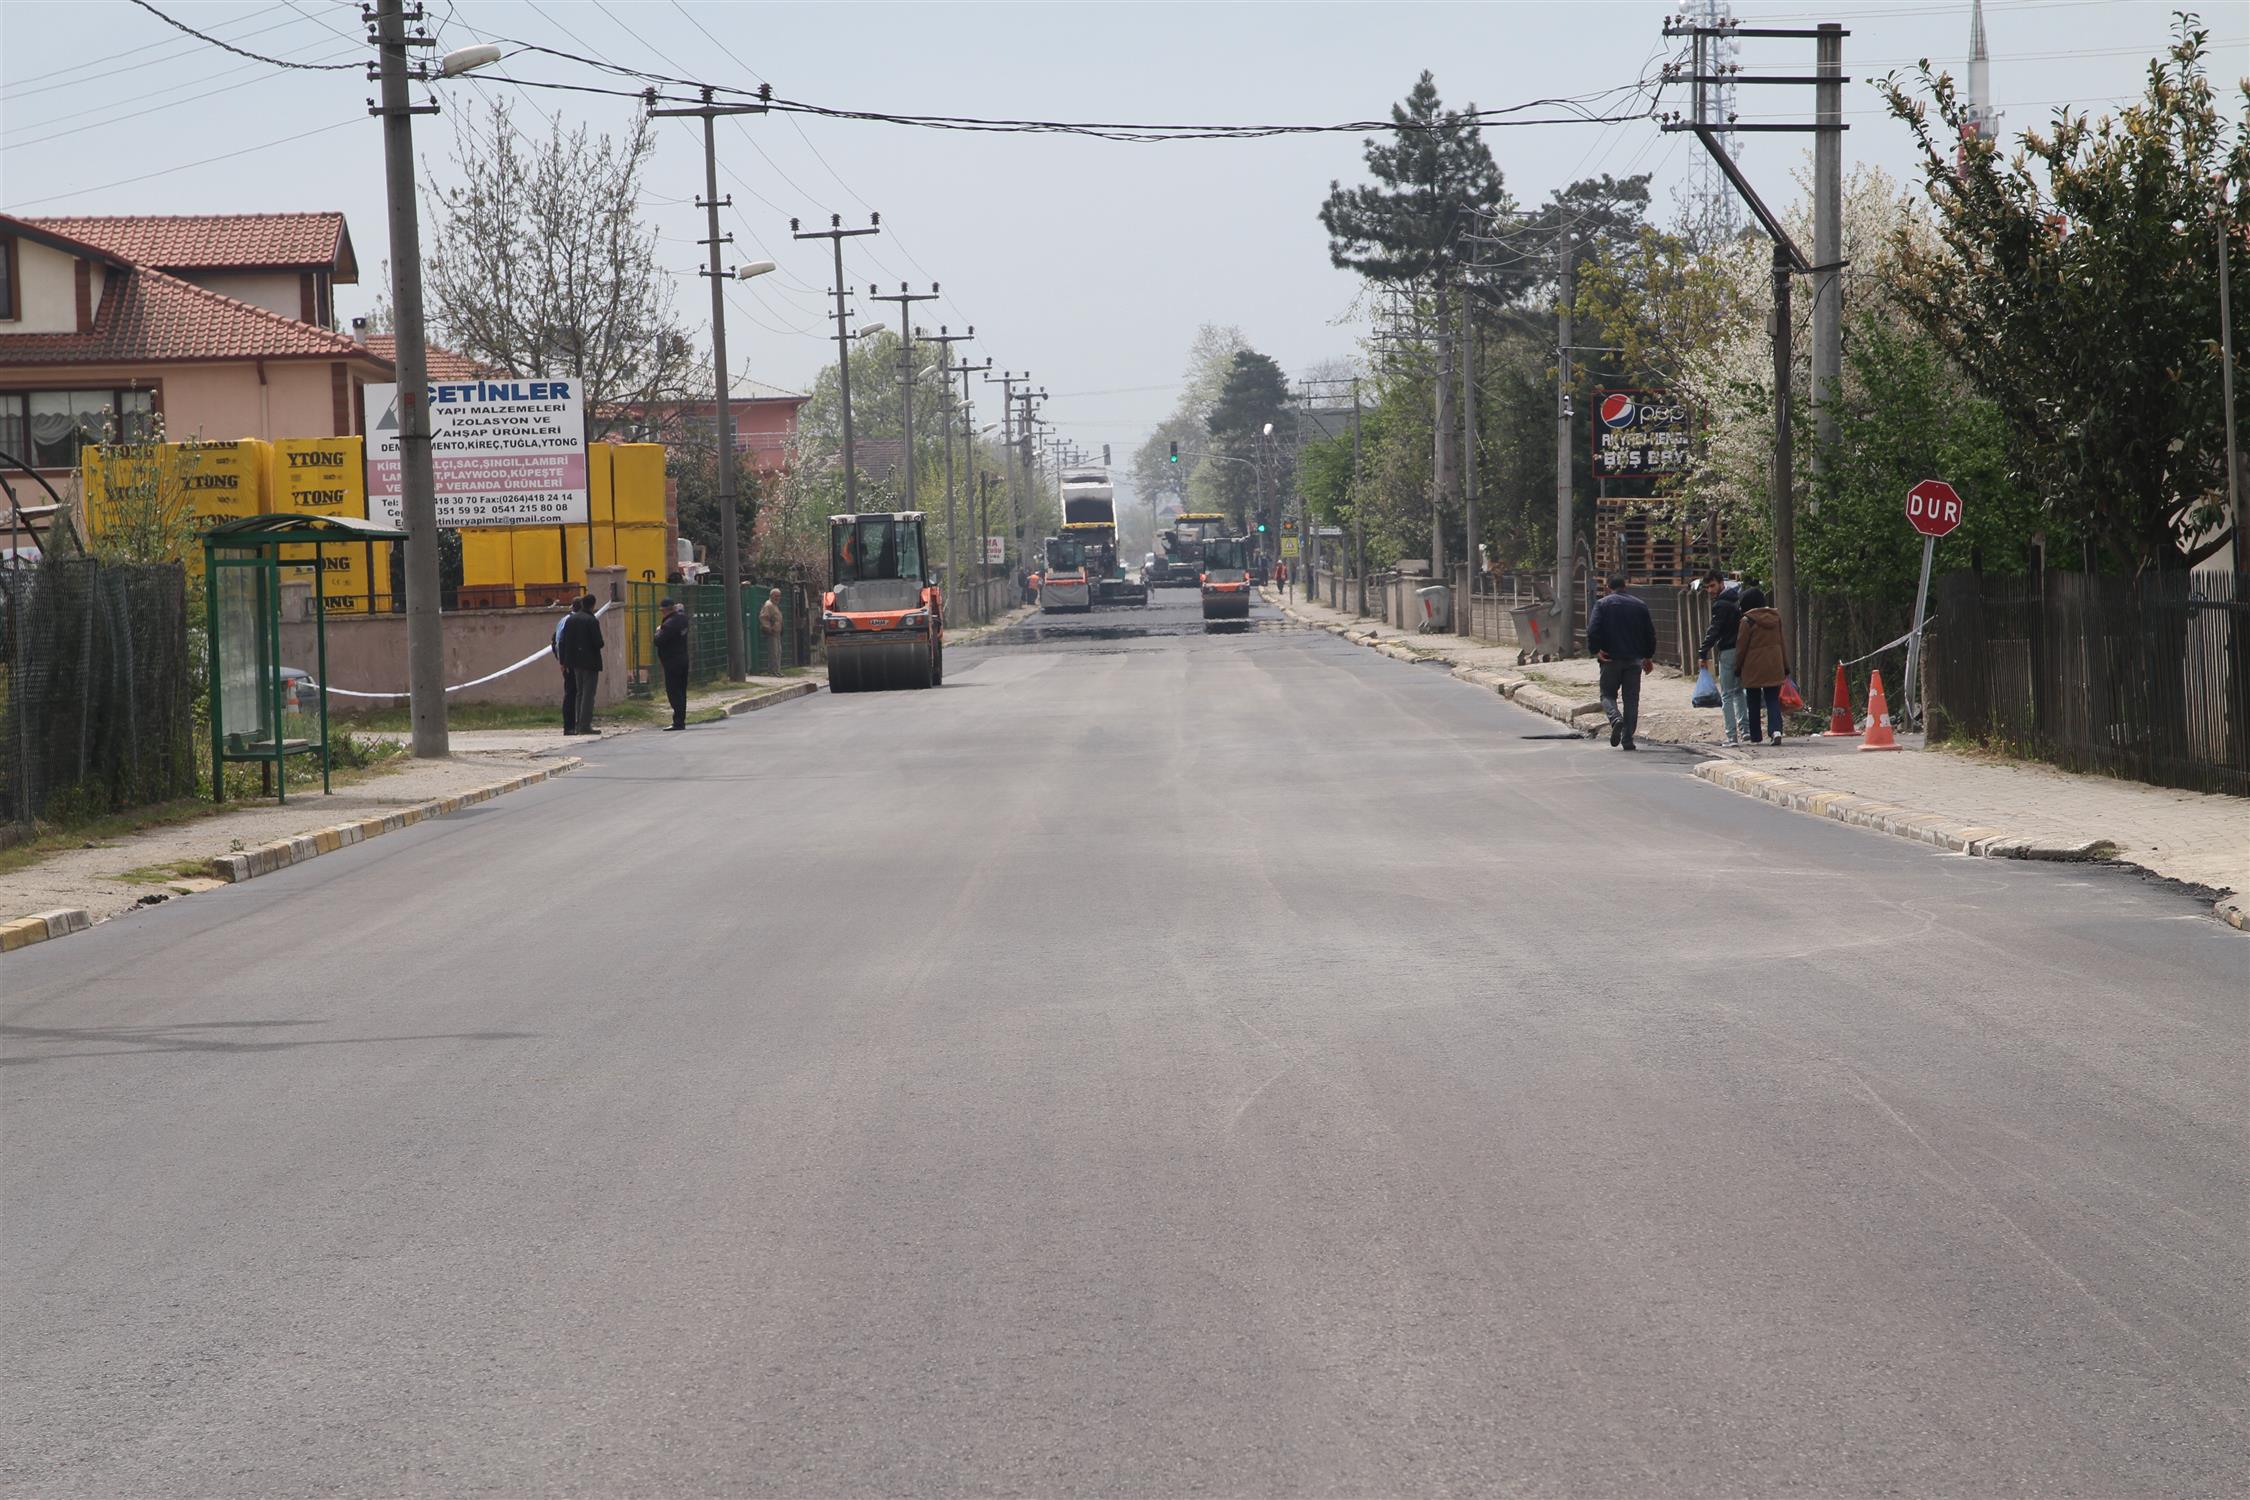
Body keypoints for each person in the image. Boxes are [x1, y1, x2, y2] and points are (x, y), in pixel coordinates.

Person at [1585, 574, 1657, 751]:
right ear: (1625, 586)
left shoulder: (1602, 604)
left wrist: (1596, 650)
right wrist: (1648, 656)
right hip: (1634, 660)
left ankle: (1615, 718)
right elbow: (1650, 634)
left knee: (1607, 695)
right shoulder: (1640, 605)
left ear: (1608, 587)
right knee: (1631, 699)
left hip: (1610, 659)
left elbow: (1592, 630)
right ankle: (1627, 739)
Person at [1732, 586, 1792, 745]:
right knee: (1772, 699)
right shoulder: (1776, 618)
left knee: (1753, 701)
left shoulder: (1747, 621)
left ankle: (1756, 736)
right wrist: (1785, 665)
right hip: (1774, 664)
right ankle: (1776, 731)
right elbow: (1782, 643)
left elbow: (1741, 647)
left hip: (1753, 667)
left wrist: (1737, 667)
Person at [1698, 571, 1746, 747]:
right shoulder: (1736, 600)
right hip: (1741, 650)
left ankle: (1731, 736)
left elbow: (1714, 630)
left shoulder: (1721, 605)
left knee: (1726, 694)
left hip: (1727, 651)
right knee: (1739, 691)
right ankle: (1745, 731)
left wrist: (1703, 652)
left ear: (1721, 584)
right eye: (1707, 587)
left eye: (1712, 586)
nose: (1710, 590)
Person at [558, 594, 605, 735]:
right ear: (593, 605)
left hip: (575, 662)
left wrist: (565, 661)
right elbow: (599, 642)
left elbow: (564, 641)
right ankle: (585, 725)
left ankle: (578, 723)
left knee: (579, 693)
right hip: (590, 662)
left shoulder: (571, 619)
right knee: (588, 694)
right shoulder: (591, 620)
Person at [654, 596, 690, 730]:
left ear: (664, 610)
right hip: (683, 659)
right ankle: (681, 719)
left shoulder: (669, 624)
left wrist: (658, 631)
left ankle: (678, 722)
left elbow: (658, 641)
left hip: (672, 661)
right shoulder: (683, 620)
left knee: (673, 692)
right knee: (681, 691)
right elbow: (682, 614)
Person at [551, 604, 577, 735]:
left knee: (572, 692)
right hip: (569, 664)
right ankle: (569, 726)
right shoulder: (570, 622)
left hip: (566, 662)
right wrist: (563, 662)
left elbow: (554, 640)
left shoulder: (564, 620)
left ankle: (572, 724)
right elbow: (559, 642)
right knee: (571, 693)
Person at [758, 588, 784, 672]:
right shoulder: (768, 605)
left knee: (778, 652)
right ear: (771, 596)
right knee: (774, 652)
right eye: (776, 596)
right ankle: (773, 671)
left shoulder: (774, 605)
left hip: (777, 632)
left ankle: (777, 670)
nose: (778, 598)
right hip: (772, 632)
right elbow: (763, 617)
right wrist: (769, 628)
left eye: (779, 596)